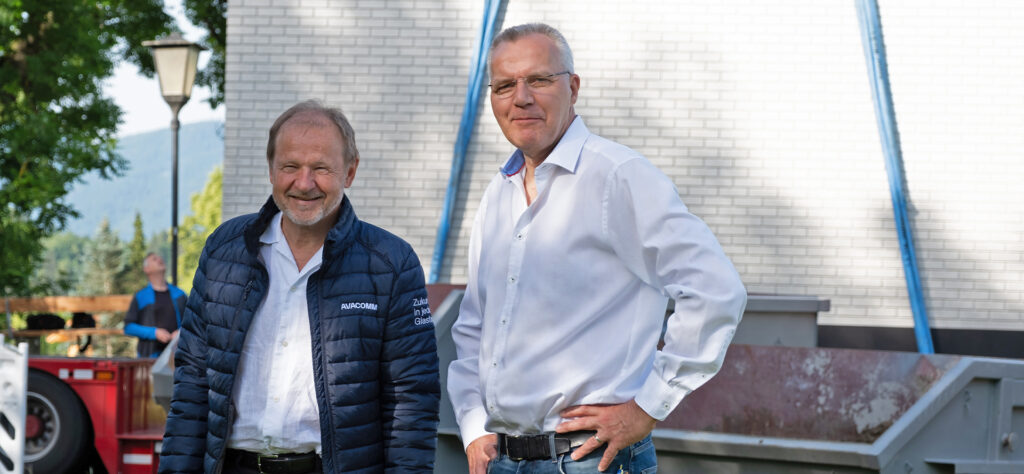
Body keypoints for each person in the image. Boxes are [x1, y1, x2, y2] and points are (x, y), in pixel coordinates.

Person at [447, 23, 748, 474]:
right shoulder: (498, 194)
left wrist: (647, 407)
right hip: (503, 460)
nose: (521, 98)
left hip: (591, 461)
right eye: (505, 85)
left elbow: (717, 290)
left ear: (573, 87)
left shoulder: (618, 176)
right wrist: (473, 427)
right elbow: (474, 324)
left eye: (539, 79)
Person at [159, 100, 440, 473]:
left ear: (350, 172)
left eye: (321, 168)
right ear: (271, 169)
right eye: (290, 167)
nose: (304, 184)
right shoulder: (225, 250)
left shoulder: (391, 263)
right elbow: (193, 381)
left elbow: (412, 400)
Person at [124, 253, 186, 358]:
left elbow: (192, 321)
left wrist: (181, 332)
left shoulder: (180, 294)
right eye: (154, 259)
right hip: (149, 357)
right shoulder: (141, 296)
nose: (160, 259)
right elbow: (128, 327)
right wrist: (154, 333)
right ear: (146, 269)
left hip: (177, 355)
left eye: (160, 257)